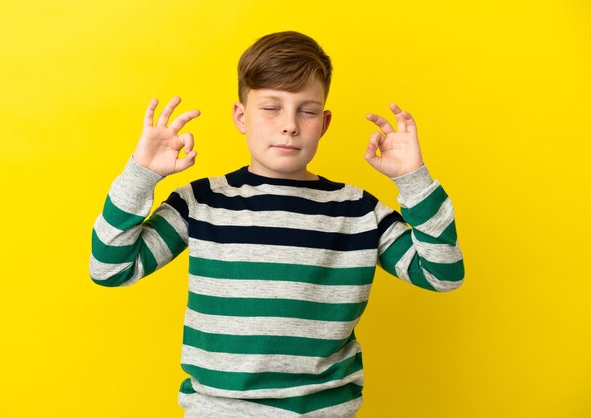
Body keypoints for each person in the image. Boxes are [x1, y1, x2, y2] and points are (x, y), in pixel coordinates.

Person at [89, 31, 464, 417]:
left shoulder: (359, 211)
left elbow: (442, 273)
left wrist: (414, 179)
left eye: (307, 110)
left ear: (324, 122)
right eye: (271, 107)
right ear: (240, 116)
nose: (290, 125)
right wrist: (141, 175)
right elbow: (111, 268)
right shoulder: (200, 202)